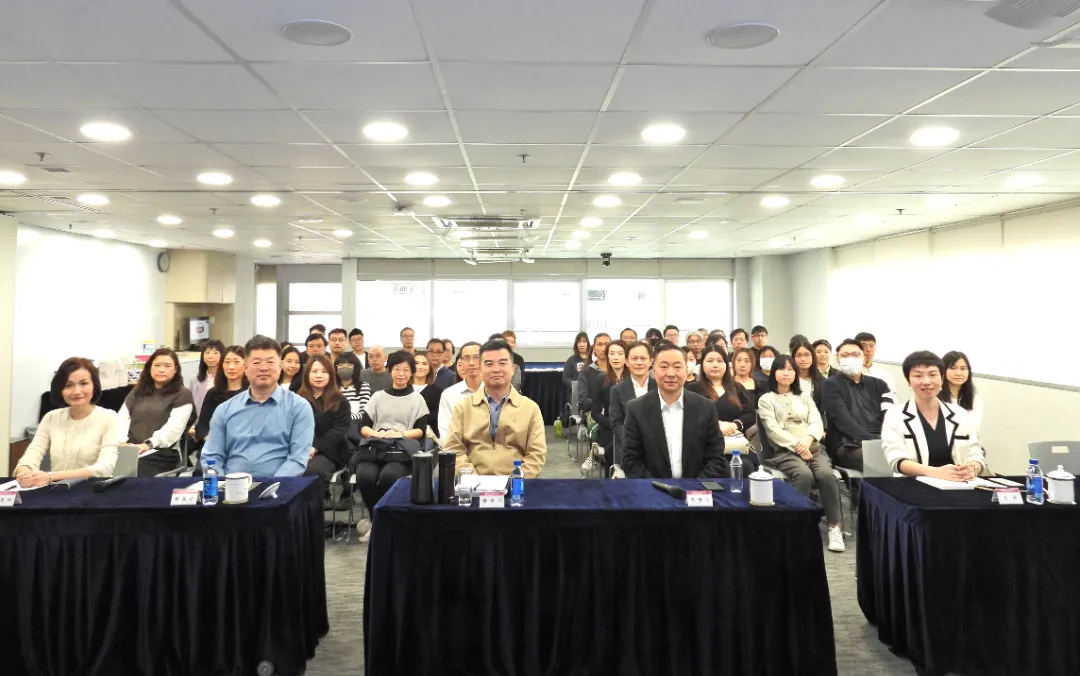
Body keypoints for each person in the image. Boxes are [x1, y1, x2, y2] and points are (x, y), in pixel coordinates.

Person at [757, 355, 844, 552]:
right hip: (785, 451)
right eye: (782, 369)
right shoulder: (766, 399)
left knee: (826, 475)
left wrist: (807, 441)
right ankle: (795, 525)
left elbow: (816, 422)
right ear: (774, 372)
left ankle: (834, 527)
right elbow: (772, 430)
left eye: (790, 369)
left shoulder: (804, 397)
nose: (786, 373)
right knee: (803, 475)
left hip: (812, 447)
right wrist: (797, 445)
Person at [202, 336, 315, 476]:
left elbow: (297, 459)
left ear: (280, 366)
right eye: (256, 362)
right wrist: (221, 484)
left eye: (270, 362)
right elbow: (211, 456)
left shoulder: (299, 408)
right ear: (245, 368)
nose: (263, 368)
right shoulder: (224, 410)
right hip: (230, 485)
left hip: (279, 486)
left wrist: (271, 486)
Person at [621, 342, 728, 479]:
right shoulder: (636, 409)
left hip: (697, 488)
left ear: (686, 371)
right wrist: (656, 487)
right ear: (654, 371)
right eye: (664, 367)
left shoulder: (706, 407)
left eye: (677, 367)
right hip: (651, 488)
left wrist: (695, 487)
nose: (671, 374)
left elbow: (716, 457)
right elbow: (631, 460)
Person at [444, 339, 546, 478]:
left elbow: (536, 454)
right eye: (489, 364)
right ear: (480, 369)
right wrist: (473, 479)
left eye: (502, 363)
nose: (496, 369)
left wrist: (514, 481)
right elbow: (454, 449)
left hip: (517, 484)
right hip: (472, 484)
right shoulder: (463, 407)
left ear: (513, 369)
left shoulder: (530, 409)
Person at [14, 358, 120, 485]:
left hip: (93, 489)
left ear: (94, 386)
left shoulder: (109, 417)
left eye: (84, 383)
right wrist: (24, 472)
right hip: (57, 490)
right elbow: (33, 452)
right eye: (68, 385)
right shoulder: (51, 417)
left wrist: (51, 476)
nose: (76, 391)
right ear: (60, 389)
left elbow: (105, 468)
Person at [353, 351, 430, 523]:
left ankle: (386, 520)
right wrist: (378, 434)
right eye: (397, 369)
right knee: (365, 476)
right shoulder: (378, 397)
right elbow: (363, 427)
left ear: (412, 372)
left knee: (389, 476)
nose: (401, 374)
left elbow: (420, 431)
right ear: (390, 370)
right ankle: (376, 520)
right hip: (375, 447)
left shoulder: (418, 399)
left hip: (401, 451)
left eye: (406, 370)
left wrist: (399, 434)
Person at [883, 350, 986, 480]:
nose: (926, 381)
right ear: (908, 380)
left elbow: (976, 454)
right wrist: (935, 472)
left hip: (958, 484)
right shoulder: (895, 415)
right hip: (913, 485)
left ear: (942, 378)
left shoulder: (960, 414)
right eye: (918, 376)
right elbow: (897, 460)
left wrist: (972, 469)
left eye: (933, 375)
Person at [821, 338, 895, 472]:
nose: (851, 358)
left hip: (882, 441)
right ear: (838, 359)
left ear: (864, 358)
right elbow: (842, 421)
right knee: (883, 459)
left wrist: (888, 439)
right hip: (847, 445)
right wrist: (873, 442)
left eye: (856, 355)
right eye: (845, 355)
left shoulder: (880, 385)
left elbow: (890, 416)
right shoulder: (830, 384)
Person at [119, 348, 195, 476]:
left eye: (167, 366)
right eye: (157, 365)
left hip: (162, 453)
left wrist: (148, 444)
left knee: (133, 472)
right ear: (150, 368)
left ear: (175, 369)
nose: (161, 370)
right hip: (131, 449)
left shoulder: (183, 394)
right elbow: (122, 418)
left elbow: (173, 430)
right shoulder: (138, 390)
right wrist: (120, 442)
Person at [687, 344, 758, 471]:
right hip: (705, 445)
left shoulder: (737, 388)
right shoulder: (693, 389)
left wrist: (734, 425)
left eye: (720, 361)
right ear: (702, 365)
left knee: (745, 466)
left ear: (726, 364)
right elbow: (689, 416)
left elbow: (750, 414)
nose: (715, 365)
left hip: (735, 445)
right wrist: (717, 425)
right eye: (710, 361)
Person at [298, 354, 352, 495]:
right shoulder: (297, 399)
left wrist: (315, 447)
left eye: (324, 371)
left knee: (311, 471)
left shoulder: (340, 400)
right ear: (307, 374)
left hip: (330, 451)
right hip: (299, 449)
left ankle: (312, 507)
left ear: (331, 375)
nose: (319, 375)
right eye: (314, 371)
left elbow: (338, 431)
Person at [609, 340, 656, 476]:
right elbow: (616, 423)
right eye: (634, 359)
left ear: (651, 361)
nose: (639, 362)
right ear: (627, 362)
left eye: (643, 358)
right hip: (629, 451)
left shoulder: (660, 387)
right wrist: (634, 443)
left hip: (658, 449)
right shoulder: (617, 390)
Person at [194, 345, 248, 448]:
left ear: (246, 365)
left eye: (236, 362)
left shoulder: (253, 393)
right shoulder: (213, 393)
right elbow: (202, 426)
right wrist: (210, 440)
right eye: (227, 362)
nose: (231, 367)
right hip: (215, 446)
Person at [587, 339, 627, 475]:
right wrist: (612, 424)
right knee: (613, 445)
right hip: (609, 428)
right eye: (612, 353)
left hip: (631, 427)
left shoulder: (633, 379)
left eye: (620, 353)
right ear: (607, 356)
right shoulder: (601, 379)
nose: (616, 357)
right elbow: (595, 412)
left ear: (627, 356)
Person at [439, 342, 483, 442]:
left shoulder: (495, 392)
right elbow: (445, 432)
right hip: (458, 449)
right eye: (466, 358)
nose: (471, 363)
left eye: (476, 357)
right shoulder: (449, 395)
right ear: (461, 362)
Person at [940, 351, 983, 432]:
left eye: (963, 368)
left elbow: (974, 427)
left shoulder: (974, 399)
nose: (958, 373)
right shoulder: (934, 397)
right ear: (943, 370)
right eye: (953, 368)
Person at [188, 339, 224, 433]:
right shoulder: (194, 379)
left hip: (221, 426)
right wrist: (190, 425)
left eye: (215, 353)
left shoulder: (227, 379)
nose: (211, 356)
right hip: (198, 426)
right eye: (207, 352)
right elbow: (189, 405)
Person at [855, 331, 897, 399]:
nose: (868, 349)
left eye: (871, 346)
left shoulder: (885, 377)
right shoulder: (848, 375)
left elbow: (892, 400)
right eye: (863, 346)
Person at [412, 351, 444, 437]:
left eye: (424, 364)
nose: (420, 367)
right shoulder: (403, 388)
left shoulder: (438, 392)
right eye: (416, 363)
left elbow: (437, 419)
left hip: (428, 437)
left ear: (430, 367)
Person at [577, 332, 610, 416]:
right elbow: (583, 400)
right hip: (594, 414)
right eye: (599, 344)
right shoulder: (585, 372)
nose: (603, 348)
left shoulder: (618, 370)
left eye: (606, 344)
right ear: (594, 348)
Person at [792, 339, 825, 413]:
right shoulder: (788, 380)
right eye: (799, 355)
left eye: (807, 355)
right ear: (793, 358)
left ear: (813, 357)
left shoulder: (822, 382)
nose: (803, 359)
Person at [334, 352, 371, 420]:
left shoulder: (363, 386)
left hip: (355, 423)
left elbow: (364, 412)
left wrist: (346, 419)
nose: (344, 367)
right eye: (341, 365)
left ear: (355, 368)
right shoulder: (332, 388)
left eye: (349, 365)